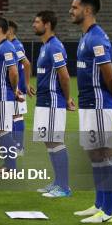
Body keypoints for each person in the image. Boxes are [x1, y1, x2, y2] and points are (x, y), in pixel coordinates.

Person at [70, 0, 112, 223]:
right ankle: (99, 204)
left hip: (99, 104)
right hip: (88, 103)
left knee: (104, 153)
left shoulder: (97, 38)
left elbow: (110, 76)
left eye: (75, 7)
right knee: (93, 153)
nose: (71, 11)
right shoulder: (85, 36)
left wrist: (111, 101)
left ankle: (108, 212)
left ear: (88, 10)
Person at [31, 10, 75, 198]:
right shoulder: (45, 46)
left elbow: (64, 76)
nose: (34, 24)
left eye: (37, 21)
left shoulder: (55, 46)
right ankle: (57, 182)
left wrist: (67, 99)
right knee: (49, 142)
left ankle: (64, 187)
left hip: (52, 101)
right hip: (43, 101)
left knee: (56, 141)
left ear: (47, 24)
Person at [0, 17, 24, 171]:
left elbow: (14, 71)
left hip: (3, 95)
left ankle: (11, 167)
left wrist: (14, 89)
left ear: (0, 30)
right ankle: (8, 165)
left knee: (2, 129)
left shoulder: (7, 47)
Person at [7, 21, 31, 154]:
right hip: (13, 86)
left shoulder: (17, 45)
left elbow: (26, 64)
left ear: (9, 31)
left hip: (18, 87)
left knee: (17, 116)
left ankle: (19, 146)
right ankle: (14, 144)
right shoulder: (11, 45)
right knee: (13, 115)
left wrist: (26, 84)